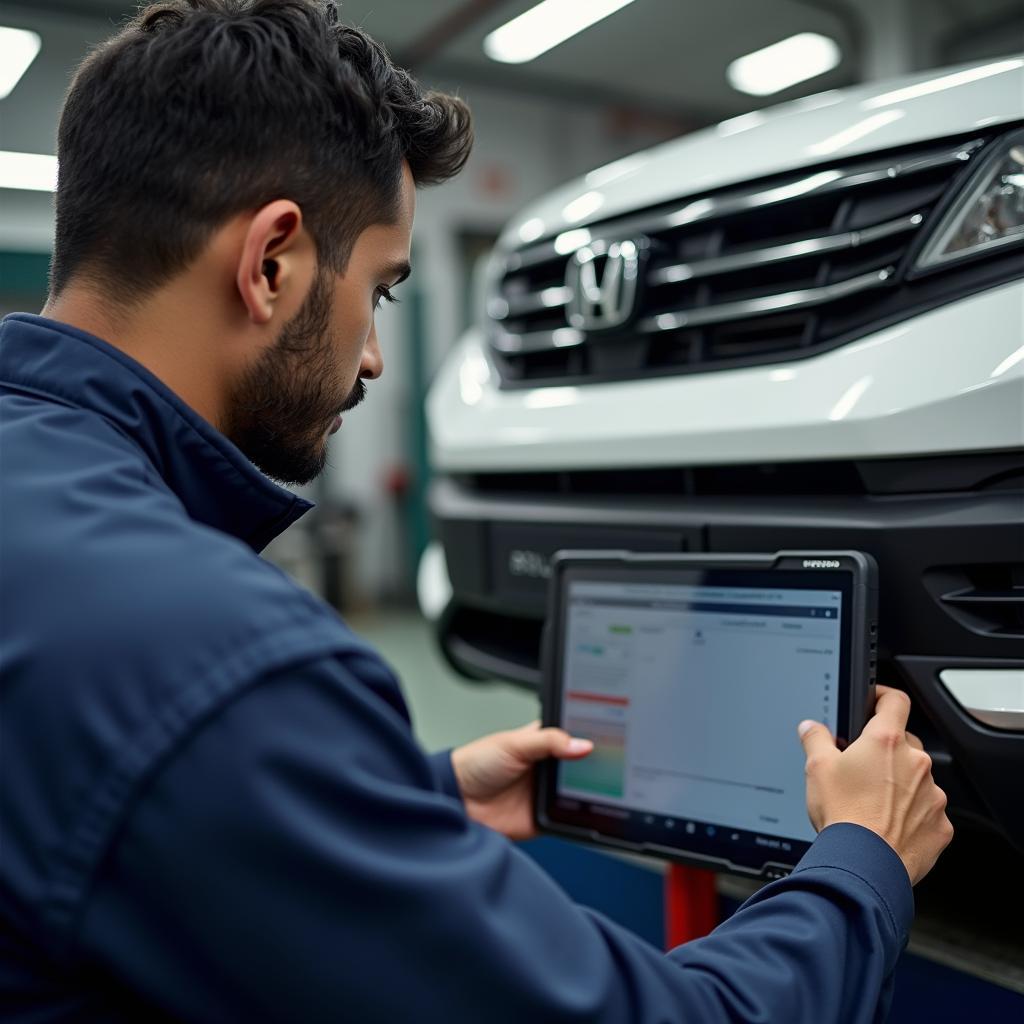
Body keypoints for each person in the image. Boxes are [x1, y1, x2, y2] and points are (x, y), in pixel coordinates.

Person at [0, 2, 953, 1021]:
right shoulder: (218, 656)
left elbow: (105, 781)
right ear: (271, 261)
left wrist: (403, 794)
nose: (371, 355)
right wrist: (862, 860)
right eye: (382, 288)